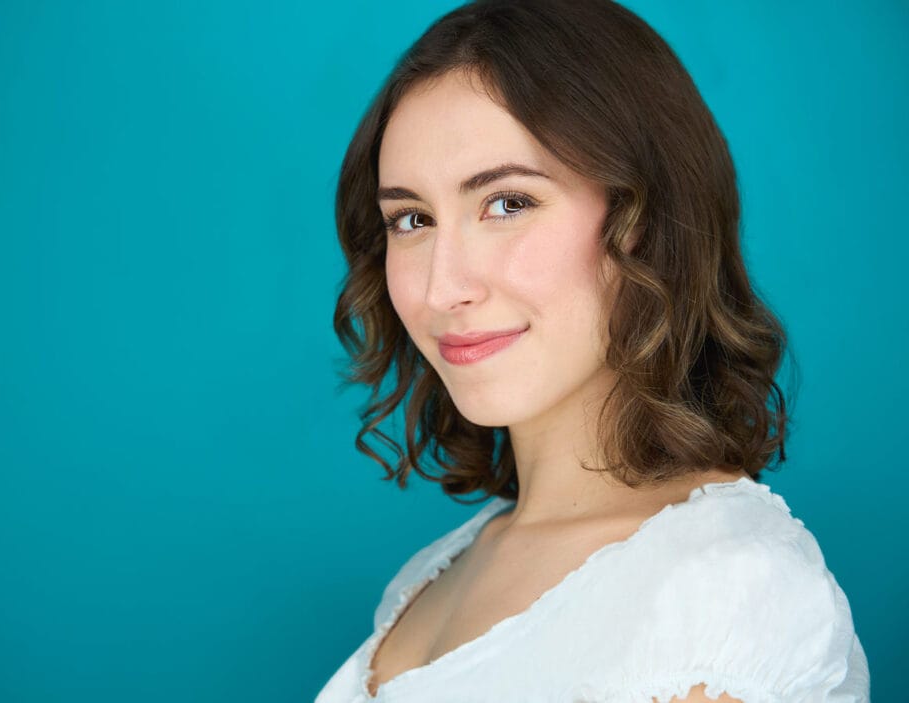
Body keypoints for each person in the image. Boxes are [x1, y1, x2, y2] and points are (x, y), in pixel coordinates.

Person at [316, 0, 869, 701]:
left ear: (644, 219)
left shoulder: (725, 592)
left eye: (508, 203)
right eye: (412, 218)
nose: (442, 287)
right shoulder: (438, 570)